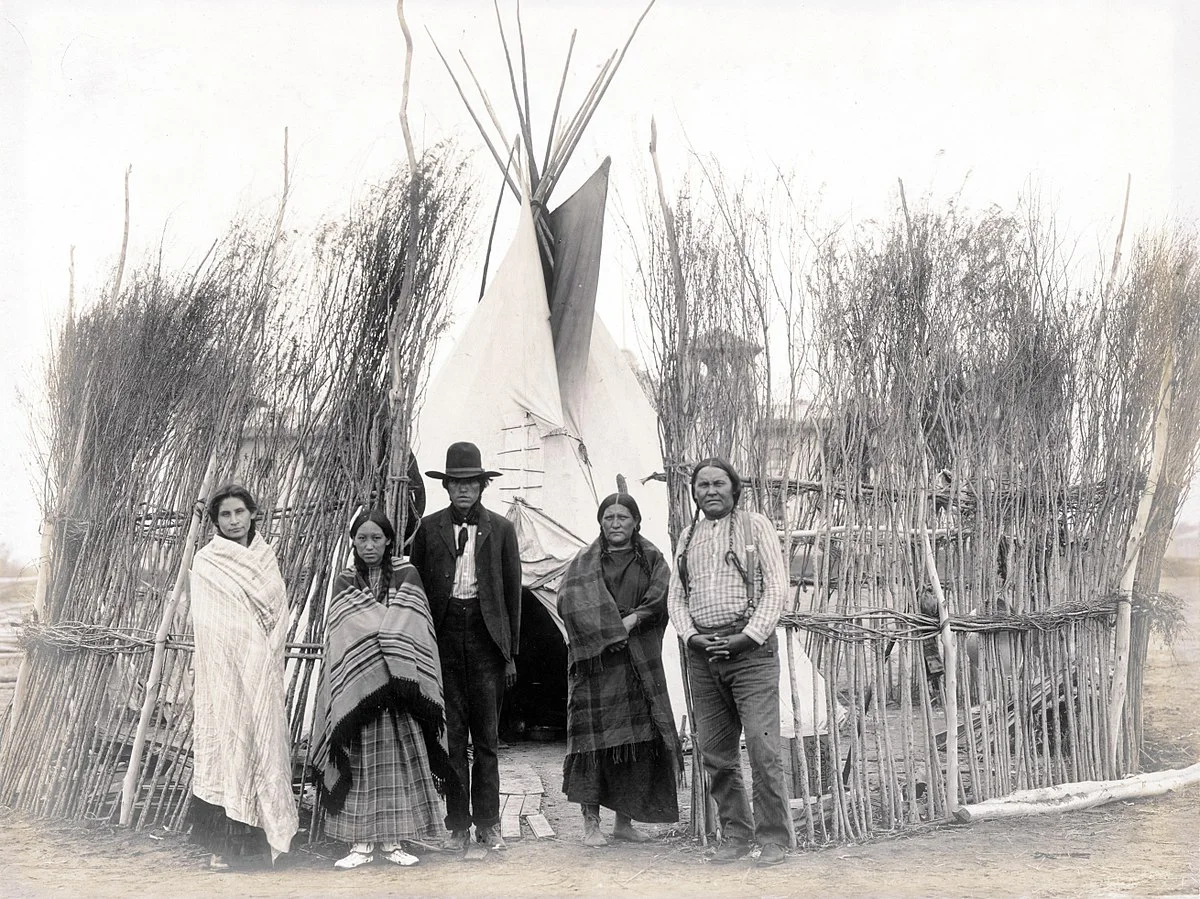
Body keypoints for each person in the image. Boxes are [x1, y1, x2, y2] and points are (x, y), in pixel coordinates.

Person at [312, 509, 455, 870]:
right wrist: (385, 638)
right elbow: (346, 633)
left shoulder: (408, 575)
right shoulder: (345, 582)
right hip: (359, 694)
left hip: (398, 692)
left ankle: (392, 841)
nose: (370, 545)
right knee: (359, 764)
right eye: (362, 539)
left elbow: (414, 626)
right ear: (353, 542)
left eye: (377, 538)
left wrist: (384, 640)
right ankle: (360, 843)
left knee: (396, 765)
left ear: (390, 540)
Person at [666, 458, 791, 868]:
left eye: (719, 483)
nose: (711, 491)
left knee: (762, 746)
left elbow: (776, 588)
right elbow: (676, 598)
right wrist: (693, 637)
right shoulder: (687, 537)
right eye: (703, 485)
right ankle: (736, 834)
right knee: (715, 752)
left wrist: (746, 637)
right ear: (695, 493)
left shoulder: (757, 526)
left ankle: (774, 839)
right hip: (704, 656)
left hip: (751, 652)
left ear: (735, 489)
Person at [409, 441, 522, 855]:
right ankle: (456, 823)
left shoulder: (502, 529)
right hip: (443, 637)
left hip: (486, 638)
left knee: (487, 739)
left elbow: (513, 596)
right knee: (452, 737)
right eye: (455, 483)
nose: (463, 490)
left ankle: (488, 824)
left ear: (481, 486)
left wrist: (509, 654)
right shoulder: (428, 529)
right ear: (446, 487)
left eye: (470, 483)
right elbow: (417, 589)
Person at [557, 492, 683, 847]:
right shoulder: (583, 563)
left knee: (635, 743)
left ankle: (623, 823)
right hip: (597, 667)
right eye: (609, 517)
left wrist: (631, 621)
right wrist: (611, 629)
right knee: (592, 745)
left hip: (638, 664)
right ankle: (591, 824)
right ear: (600, 522)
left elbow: (663, 597)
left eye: (623, 518)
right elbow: (569, 601)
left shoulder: (652, 559)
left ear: (635, 522)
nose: (616, 524)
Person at [187, 483, 298, 870]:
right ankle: (223, 847)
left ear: (253, 513)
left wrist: (260, 652)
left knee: (264, 743)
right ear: (215, 522)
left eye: (239, 512)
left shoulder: (265, 558)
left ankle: (264, 844)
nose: (234, 521)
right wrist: (239, 649)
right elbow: (210, 622)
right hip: (225, 675)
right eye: (225, 515)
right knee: (227, 747)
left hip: (262, 668)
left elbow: (278, 612)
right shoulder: (207, 563)